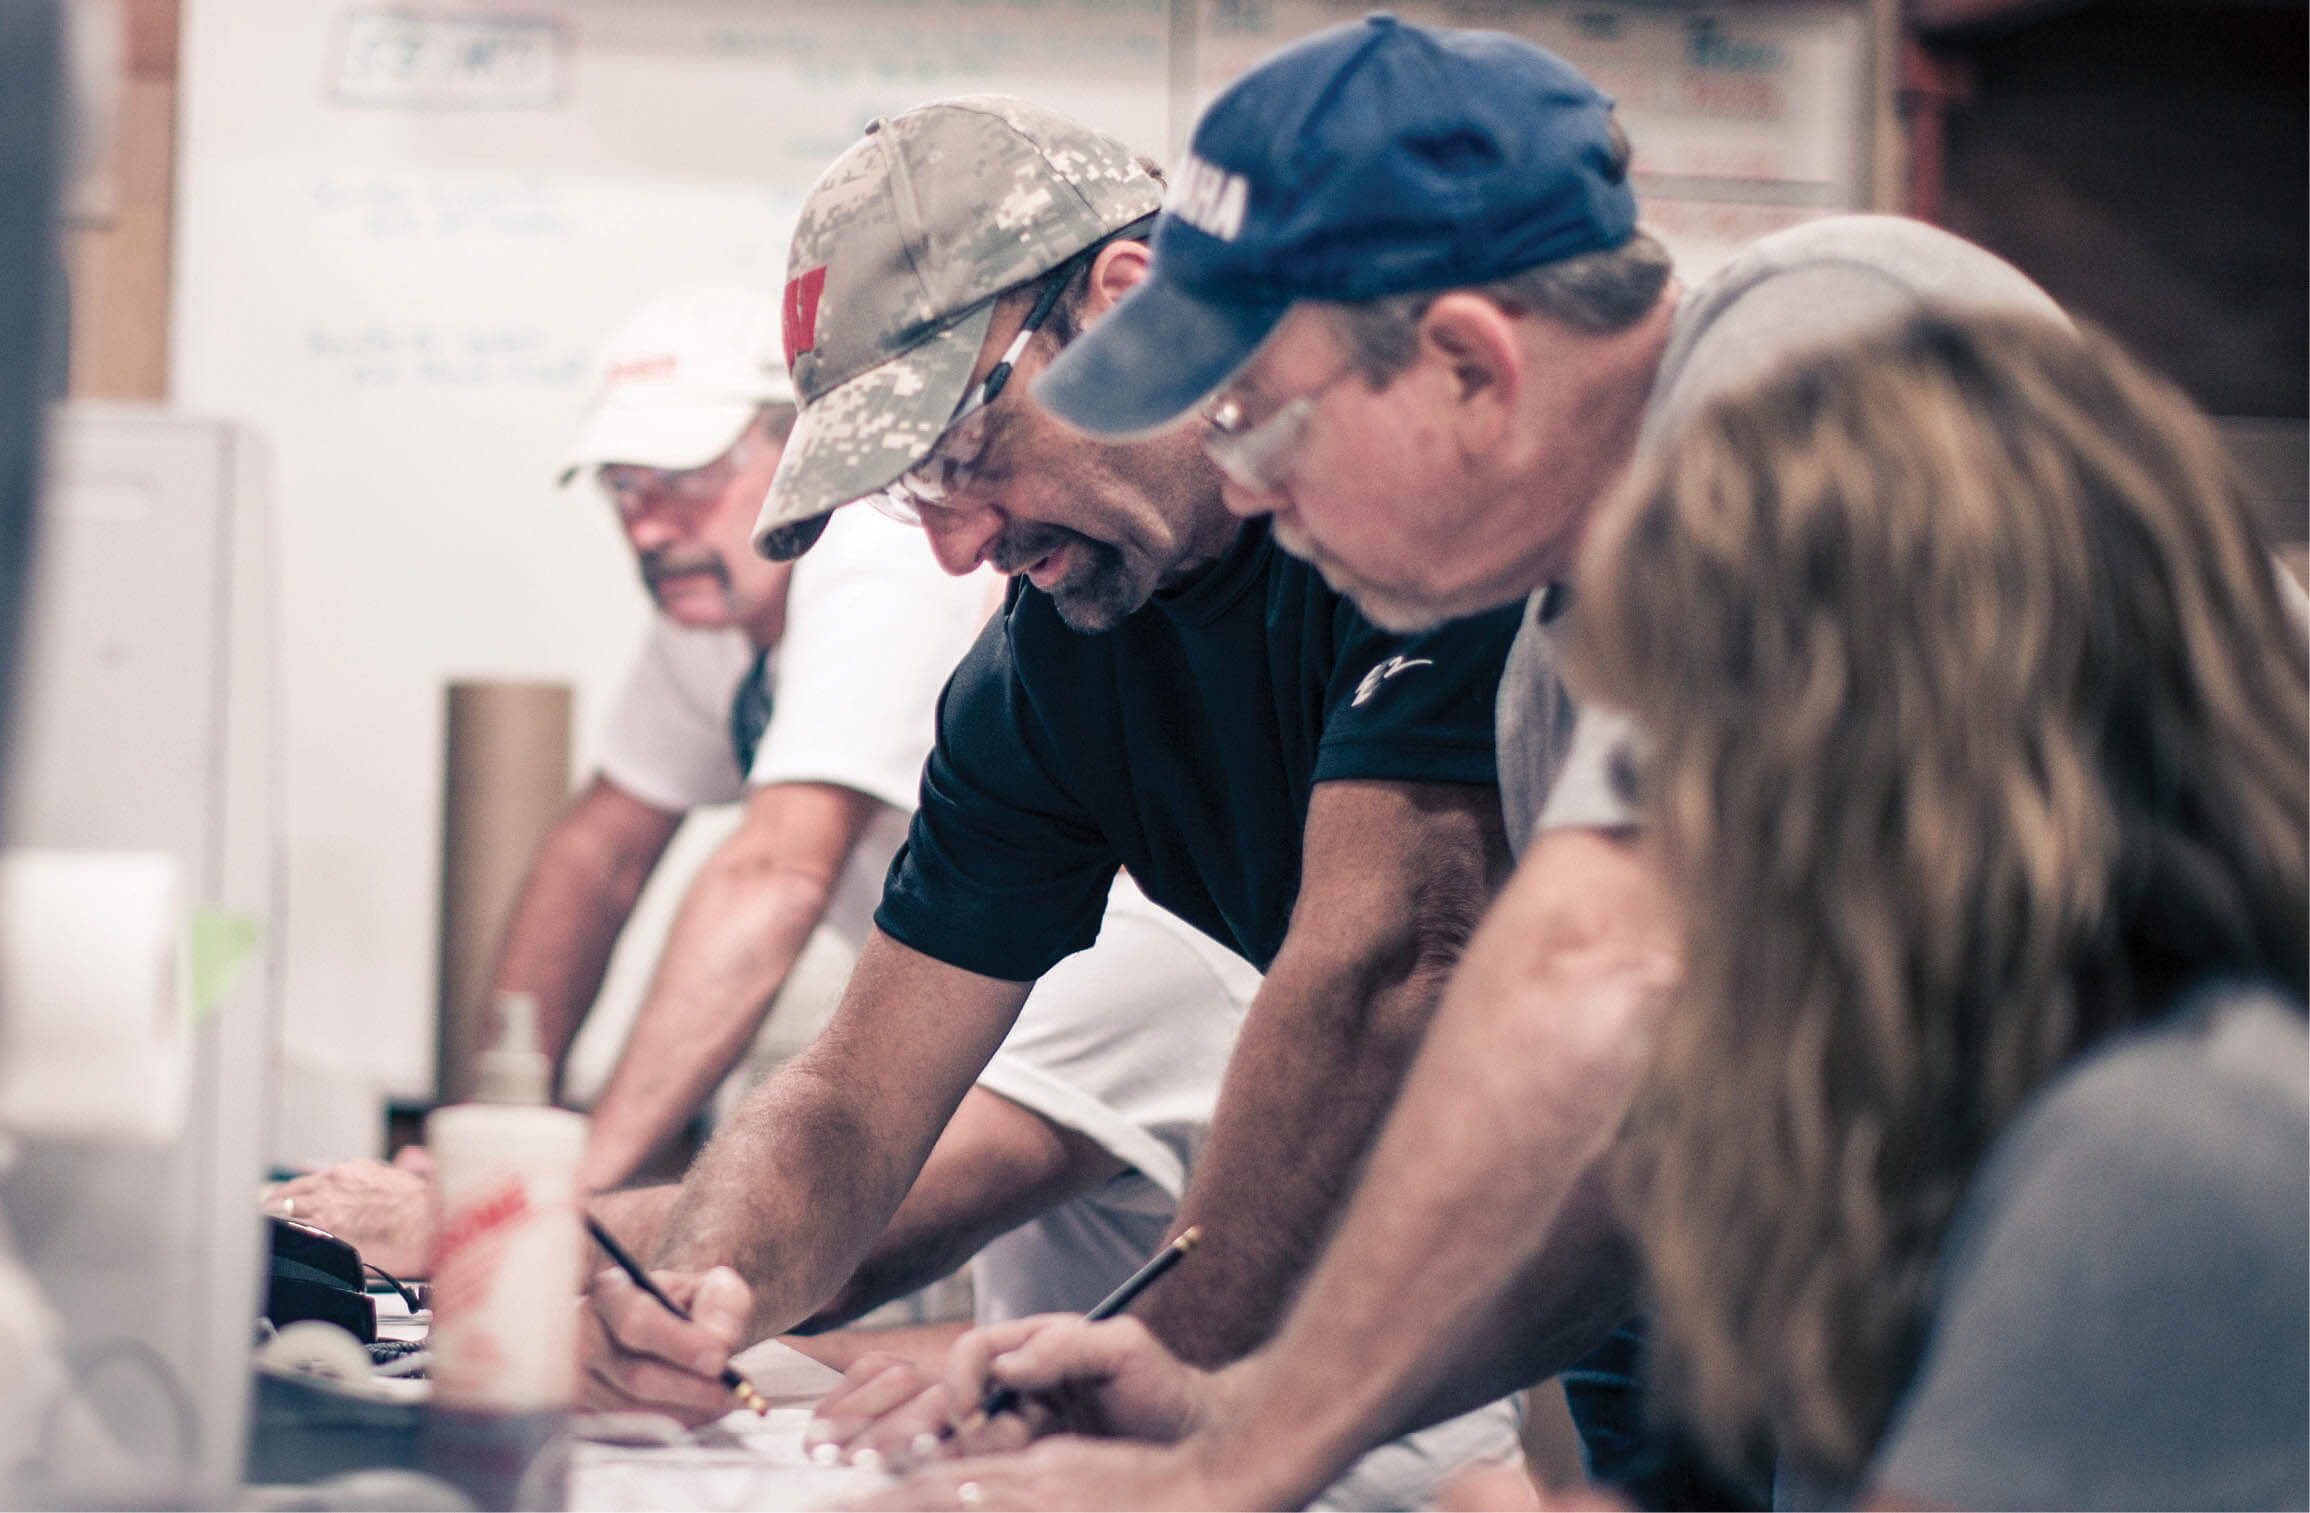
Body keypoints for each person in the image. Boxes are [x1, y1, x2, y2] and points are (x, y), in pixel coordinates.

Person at [877, 17, 2090, 1508]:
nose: (1247, 495)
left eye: (1258, 423)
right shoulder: (1544, 683)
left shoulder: (1824, 345)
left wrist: (1238, 1458)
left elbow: (1583, 970)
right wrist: (1231, 1396)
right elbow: (1620, 1176)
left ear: (1466, 367)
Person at [578, 95, 1526, 1475]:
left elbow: (1384, 966)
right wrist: (687, 1287)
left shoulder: (1408, 518)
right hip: (1563, 1238)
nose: (961, 545)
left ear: (1128, 305)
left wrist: (1164, 1384)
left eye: (964, 451)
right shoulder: (1039, 677)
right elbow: (854, 1097)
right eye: (915, 495)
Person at [1565, 309, 2309, 1508]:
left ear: (1880, 754)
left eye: (1694, 743)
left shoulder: (2168, 1151)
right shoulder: (2011, 1102)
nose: (1664, 827)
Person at [269, 282, 1000, 1248]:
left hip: (1096, 1005)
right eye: (624, 486)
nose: (651, 525)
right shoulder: (715, 597)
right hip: (991, 1022)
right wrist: (496, 1131)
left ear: (799, 451)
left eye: (688, 478)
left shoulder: (877, 550)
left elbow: (777, 875)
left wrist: (560, 1183)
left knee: (816, 1253)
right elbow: (597, 858)